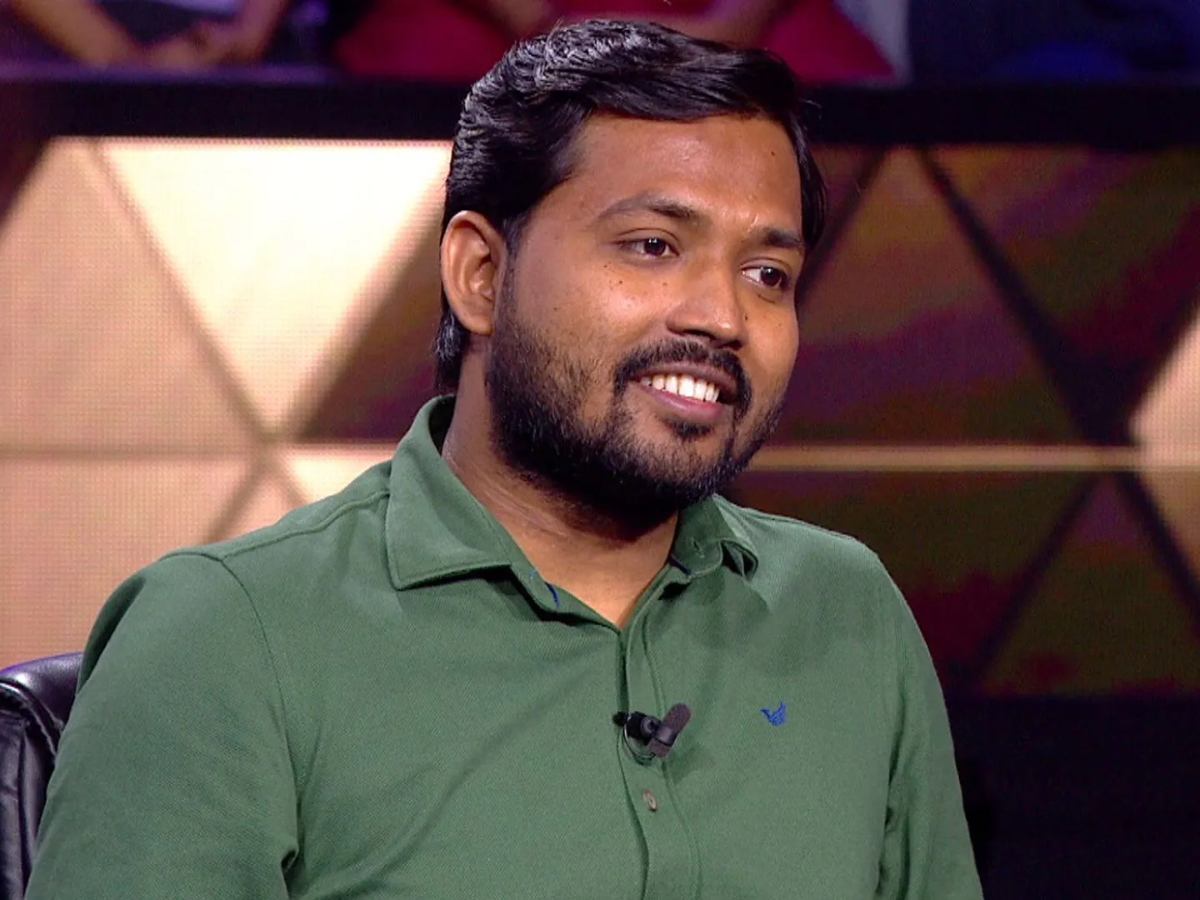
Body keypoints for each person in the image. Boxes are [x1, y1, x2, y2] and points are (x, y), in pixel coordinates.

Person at [26, 19, 982, 900]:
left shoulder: (847, 614)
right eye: (653, 246)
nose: (722, 316)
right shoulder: (224, 638)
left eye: (768, 274)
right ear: (481, 275)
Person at [334, 0, 892, 83]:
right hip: (509, 31)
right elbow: (530, 18)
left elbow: (738, 27)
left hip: (731, 30)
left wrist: (724, 33)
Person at [1, 0, 317, 67]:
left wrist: (246, 34)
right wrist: (125, 63)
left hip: (240, 44)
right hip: (63, 42)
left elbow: (248, 38)